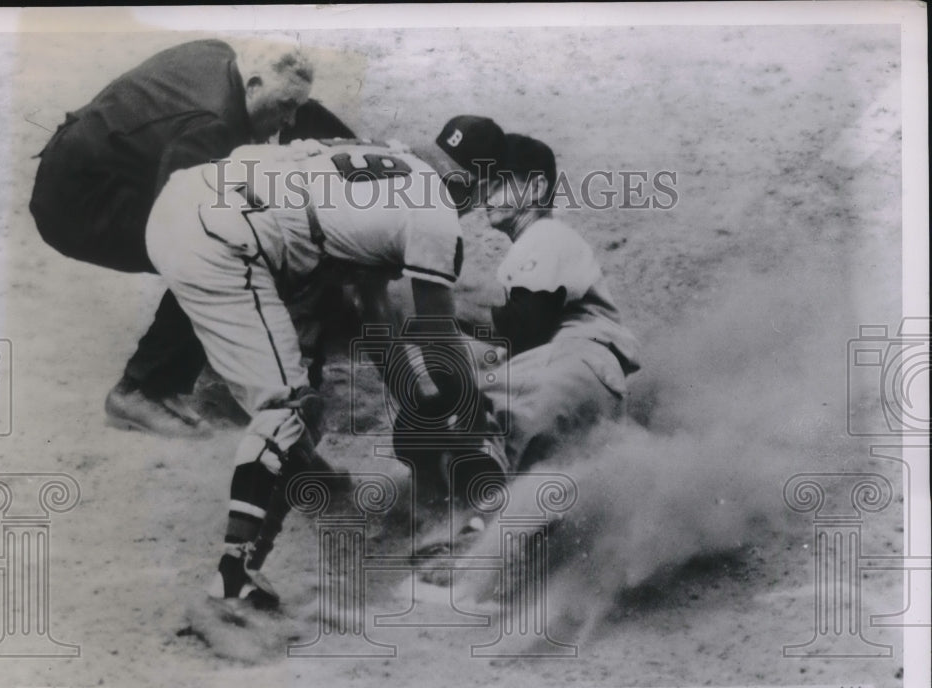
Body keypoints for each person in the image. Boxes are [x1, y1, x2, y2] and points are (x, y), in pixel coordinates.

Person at [143, 116, 507, 609]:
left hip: (194, 203)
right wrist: (471, 421)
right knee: (286, 405)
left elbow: (375, 319)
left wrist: (416, 406)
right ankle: (231, 579)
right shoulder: (437, 210)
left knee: (294, 404)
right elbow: (439, 337)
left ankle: (255, 554)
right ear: (475, 181)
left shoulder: (391, 157)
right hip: (227, 236)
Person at [29, 38, 355, 437]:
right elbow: (185, 230)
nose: (288, 121)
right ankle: (142, 389)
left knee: (250, 206)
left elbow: (291, 112)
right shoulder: (209, 125)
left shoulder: (224, 58)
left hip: (105, 158)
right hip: (78, 203)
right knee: (225, 247)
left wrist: (356, 158)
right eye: (284, 106)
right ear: (251, 84)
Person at [477, 133, 641, 475]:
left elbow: (528, 324)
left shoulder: (545, 235)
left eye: (500, 181)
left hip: (569, 367)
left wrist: (445, 309)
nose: (485, 192)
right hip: (587, 381)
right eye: (484, 180)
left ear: (536, 188)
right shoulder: (540, 242)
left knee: (465, 415)